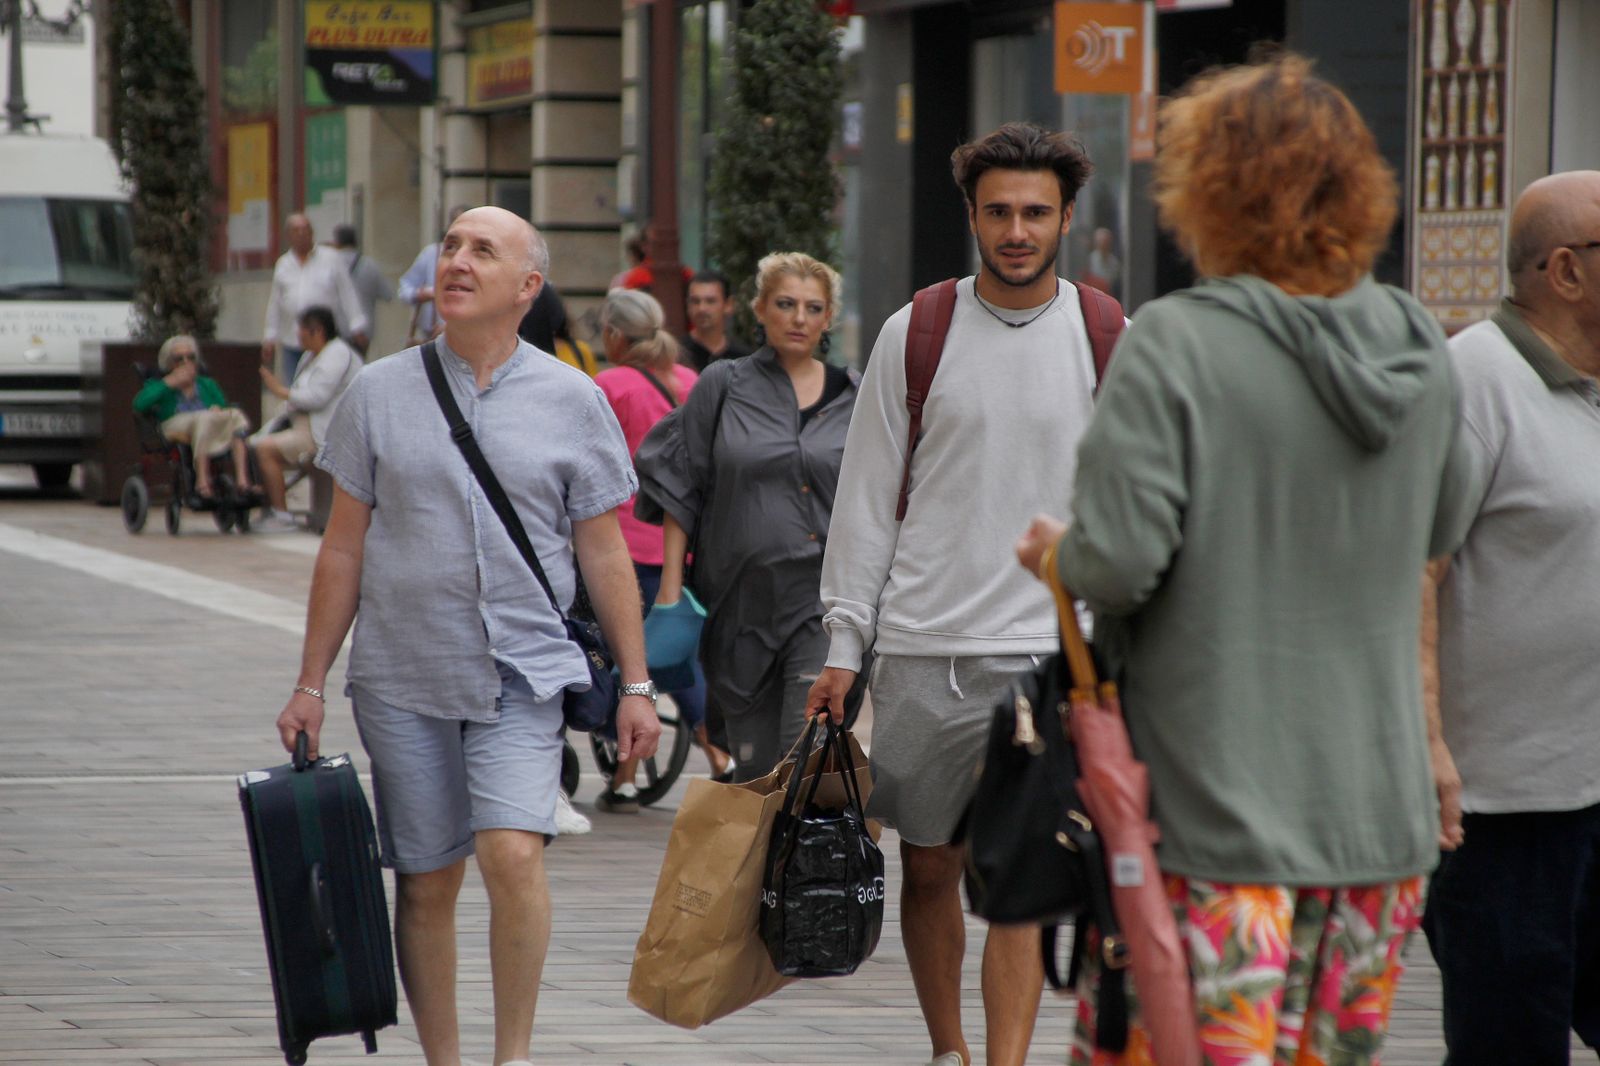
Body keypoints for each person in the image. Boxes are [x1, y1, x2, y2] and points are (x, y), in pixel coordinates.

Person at [1010, 54, 1477, 1065]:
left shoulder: (1177, 342)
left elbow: (1120, 562)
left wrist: (1058, 554)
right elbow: (1435, 531)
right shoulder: (1414, 345)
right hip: (1375, 827)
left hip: (1215, 817)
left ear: (1206, 189)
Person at [274, 206, 660, 1066]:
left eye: (483, 250)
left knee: (512, 850)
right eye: (451, 245)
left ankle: (511, 1056)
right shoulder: (380, 391)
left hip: (522, 672)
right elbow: (343, 547)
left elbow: (603, 548)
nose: (457, 260)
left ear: (528, 287)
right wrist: (309, 682)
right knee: (426, 875)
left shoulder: (574, 400)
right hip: (403, 672)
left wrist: (636, 684)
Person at [805, 121, 1113, 1066]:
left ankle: (1006, 1060)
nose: (1016, 230)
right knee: (930, 863)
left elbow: (1131, 506)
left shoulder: (1109, 336)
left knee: (1023, 876)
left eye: (1034, 212)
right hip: (927, 648)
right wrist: (843, 648)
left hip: (1053, 655)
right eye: (998, 212)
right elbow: (865, 505)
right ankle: (950, 1050)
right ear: (972, 216)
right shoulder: (918, 330)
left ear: (1065, 217)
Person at [1421, 169, 1600, 1064]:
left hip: (1596, 787)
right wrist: (1429, 746)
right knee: (1510, 1050)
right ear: (1566, 271)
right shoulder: (1472, 384)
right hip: (1501, 814)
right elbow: (1410, 574)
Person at [635, 252, 858, 783]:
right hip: (737, 603)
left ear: (828, 318)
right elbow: (679, 483)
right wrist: (670, 591)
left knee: (799, 754)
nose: (798, 317)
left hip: (821, 602)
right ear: (759, 310)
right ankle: (767, 867)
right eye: (785, 304)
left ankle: (797, 863)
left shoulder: (857, 393)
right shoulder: (723, 385)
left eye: (812, 307)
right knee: (755, 771)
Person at [592, 288, 731, 811]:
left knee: (638, 661)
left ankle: (711, 755)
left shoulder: (611, 385)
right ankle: (639, 773)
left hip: (625, 543)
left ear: (614, 336)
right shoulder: (693, 382)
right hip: (686, 543)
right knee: (665, 655)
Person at [253, 305, 363, 532]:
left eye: (301, 331)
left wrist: (279, 390)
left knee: (265, 449)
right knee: (252, 443)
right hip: (300, 424)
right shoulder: (309, 356)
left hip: (322, 431)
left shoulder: (338, 353)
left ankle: (282, 514)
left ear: (317, 331)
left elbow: (317, 397)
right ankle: (267, 505)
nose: (297, 337)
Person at [133, 335, 254, 504]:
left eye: (191, 357)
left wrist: (218, 409)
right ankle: (202, 483)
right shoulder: (161, 384)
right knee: (203, 418)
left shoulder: (206, 383)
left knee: (235, 414)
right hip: (175, 423)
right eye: (179, 358)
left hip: (208, 423)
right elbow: (139, 404)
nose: (186, 362)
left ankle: (243, 482)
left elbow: (221, 405)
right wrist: (169, 382)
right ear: (169, 362)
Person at [261, 213, 367, 380]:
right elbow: (275, 302)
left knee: (324, 385)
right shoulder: (283, 264)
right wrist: (270, 336)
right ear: (288, 236)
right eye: (296, 230)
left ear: (312, 233)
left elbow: (347, 293)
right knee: (295, 390)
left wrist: (357, 325)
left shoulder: (331, 258)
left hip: (324, 340)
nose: (302, 234)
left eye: (306, 229)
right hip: (293, 341)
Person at [398, 205, 468, 346]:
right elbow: (404, 289)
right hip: (430, 336)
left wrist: (452, 328)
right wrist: (420, 294)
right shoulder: (431, 253)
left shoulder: (482, 260)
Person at [331, 224, 396, 356]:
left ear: (337, 242)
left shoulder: (330, 264)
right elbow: (388, 294)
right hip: (363, 332)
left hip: (335, 328)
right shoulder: (369, 265)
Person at [682, 270, 753, 372]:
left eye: (710, 301)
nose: (702, 308)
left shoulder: (744, 359)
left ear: (728, 305)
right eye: (695, 301)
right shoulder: (677, 355)